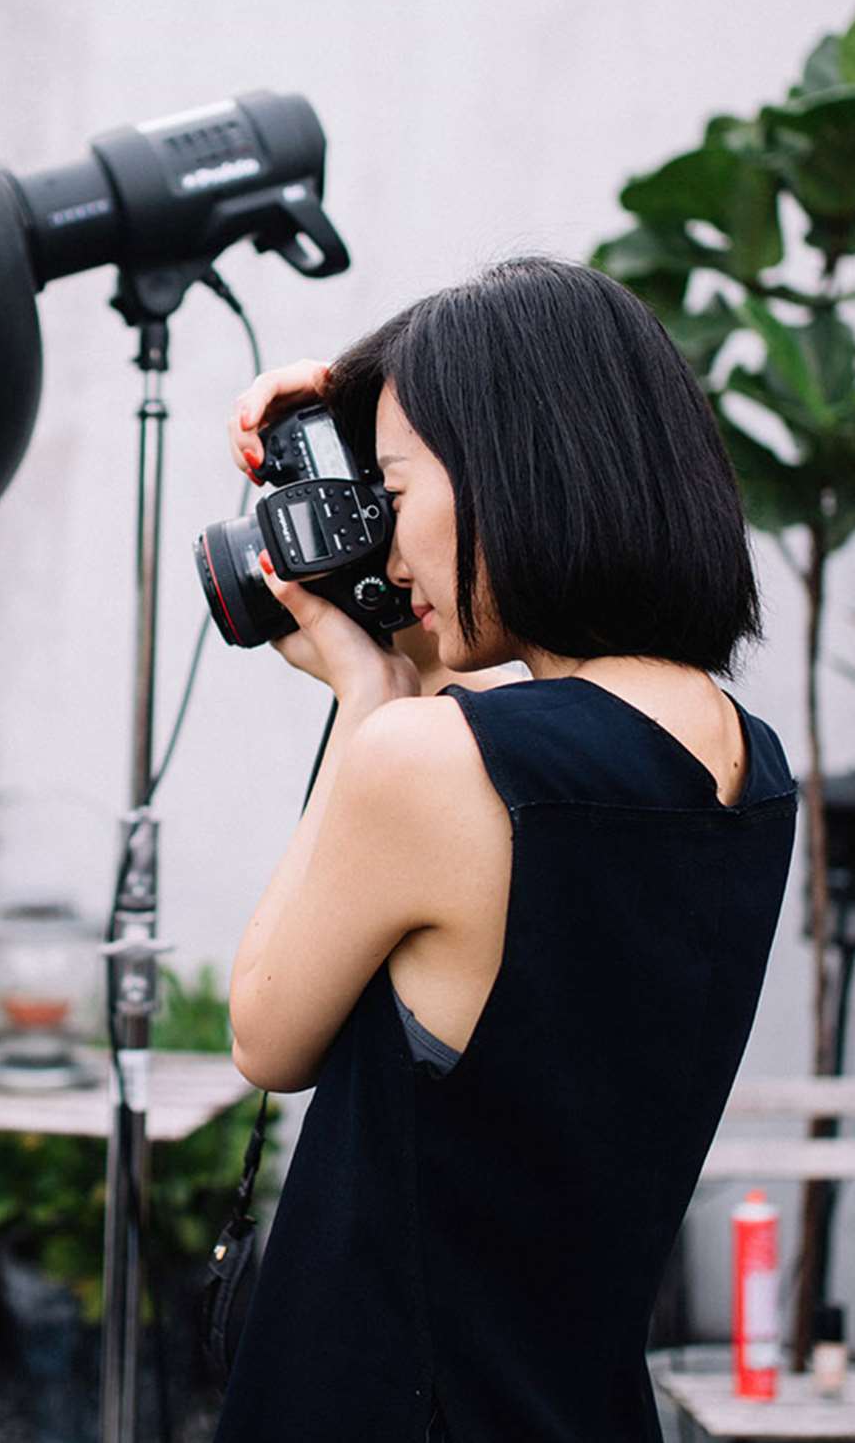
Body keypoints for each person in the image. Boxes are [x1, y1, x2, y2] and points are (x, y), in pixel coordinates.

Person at [210, 255, 799, 1442]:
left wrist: (366, 693)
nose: (388, 547)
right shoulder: (749, 760)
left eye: (391, 490)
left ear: (511, 471)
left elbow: (264, 1036)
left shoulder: (429, 760)